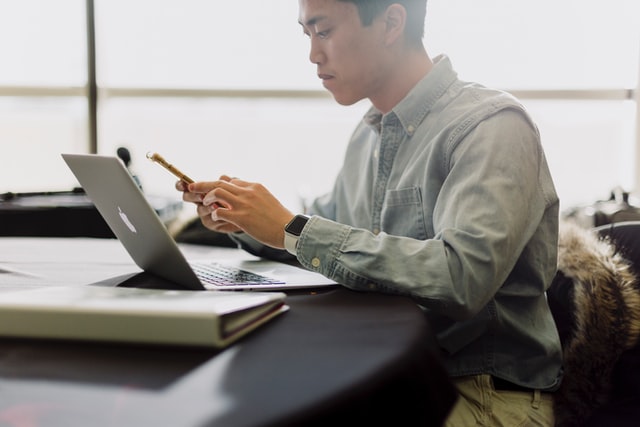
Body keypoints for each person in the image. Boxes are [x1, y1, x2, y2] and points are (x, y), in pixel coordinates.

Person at [178, 0, 563, 425]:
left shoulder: (491, 126)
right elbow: (322, 238)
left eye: (323, 31)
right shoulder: (368, 136)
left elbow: (462, 278)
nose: (312, 55)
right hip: (390, 372)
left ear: (391, 22)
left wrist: (292, 228)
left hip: (479, 389)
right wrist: (247, 221)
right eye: (307, 36)